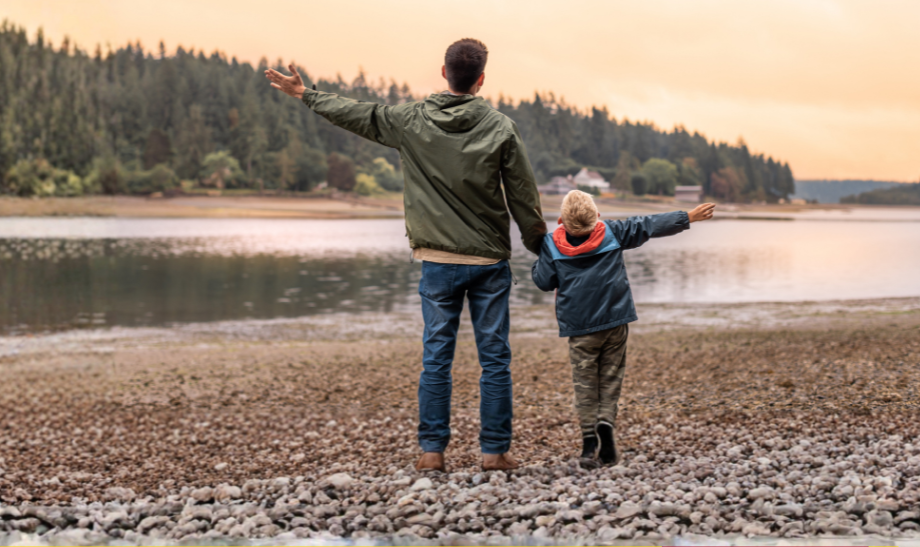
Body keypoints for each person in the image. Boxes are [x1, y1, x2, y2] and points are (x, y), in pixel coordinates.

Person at [265, 39, 546, 472]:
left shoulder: (410, 120)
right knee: (495, 358)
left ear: (443, 72)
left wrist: (304, 94)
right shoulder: (501, 127)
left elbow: (358, 113)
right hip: (488, 262)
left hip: (436, 260)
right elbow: (524, 196)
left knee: (436, 355)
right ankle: (494, 453)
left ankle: (432, 453)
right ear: (482, 78)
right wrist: (542, 249)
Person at [531, 190, 715, 469]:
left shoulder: (551, 243)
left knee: (584, 383)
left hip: (580, 328)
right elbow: (649, 225)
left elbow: (544, 281)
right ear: (597, 218)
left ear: (561, 222)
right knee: (610, 378)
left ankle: (588, 441)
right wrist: (687, 216)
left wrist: (541, 258)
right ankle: (606, 422)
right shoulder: (612, 232)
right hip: (615, 321)